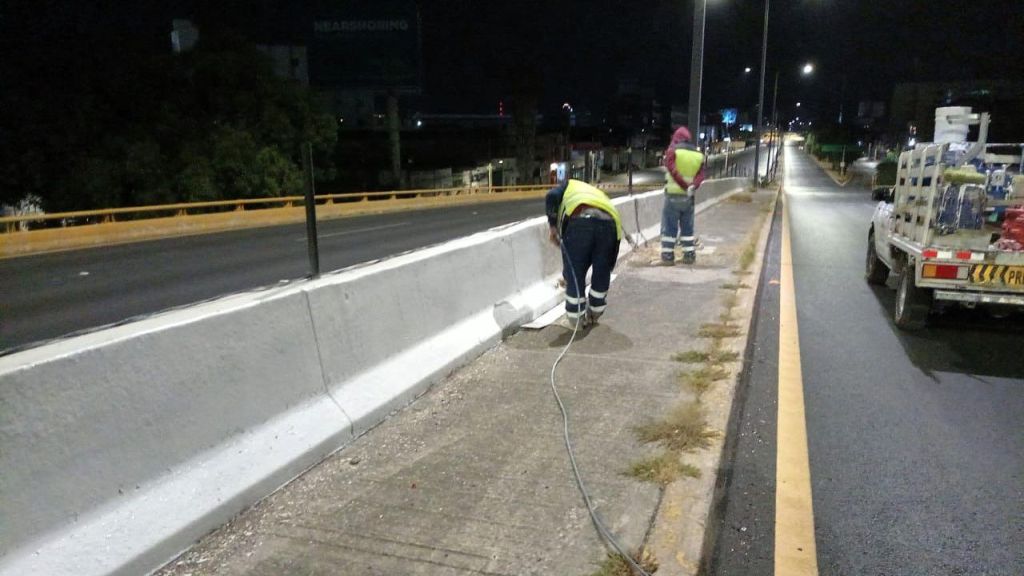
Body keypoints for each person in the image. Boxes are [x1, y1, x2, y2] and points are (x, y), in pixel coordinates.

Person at [545, 178, 623, 327]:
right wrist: (608, 264)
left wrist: (553, 226)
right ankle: (595, 312)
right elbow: (610, 261)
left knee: (575, 273)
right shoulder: (598, 194)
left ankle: (576, 321)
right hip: (610, 224)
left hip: (580, 222)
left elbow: (551, 196)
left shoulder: (569, 184)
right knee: (602, 270)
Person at [658, 126, 706, 265]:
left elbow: (672, 169)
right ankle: (689, 255)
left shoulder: (672, 152)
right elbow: (701, 174)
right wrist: (693, 186)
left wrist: (684, 185)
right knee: (687, 227)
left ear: (677, 138)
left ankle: (667, 256)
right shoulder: (698, 155)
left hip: (673, 196)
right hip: (689, 198)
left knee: (669, 226)